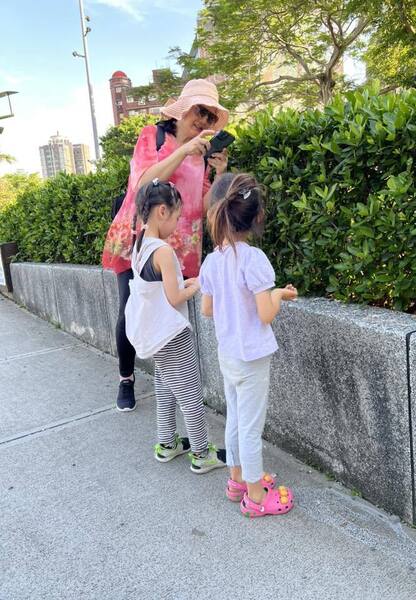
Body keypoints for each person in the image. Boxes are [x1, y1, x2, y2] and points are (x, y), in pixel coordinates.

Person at [102, 79, 229, 412]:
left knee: (172, 318)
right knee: (130, 309)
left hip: (181, 251)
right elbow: (143, 183)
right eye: (200, 111)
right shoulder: (153, 137)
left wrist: (219, 174)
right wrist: (183, 151)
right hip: (141, 242)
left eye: (210, 117)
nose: (204, 121)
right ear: (183, 110)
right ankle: (126, 377)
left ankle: (169, 393)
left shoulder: (203, 156)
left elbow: (203, 206)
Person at [199, 173, 298, 517]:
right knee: (251, 427)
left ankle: (237, 478)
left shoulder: (212, 261)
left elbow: (207, 309)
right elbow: (265, 314)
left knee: (235, 419)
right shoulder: (254, 260)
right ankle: (256, 496)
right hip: (252, 358)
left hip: (227, 354)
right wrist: (278, 295)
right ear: (256, 216)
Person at [125, 178, 226, 473]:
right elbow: (174, 297)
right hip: (171, 333)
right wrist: (196, 286)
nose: (178, 224)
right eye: (176, 216)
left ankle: (167, 443)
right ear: (161, 211)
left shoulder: (140, 244)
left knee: (165, 386)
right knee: (190, 391)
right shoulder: (163, 251)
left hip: (153, 332)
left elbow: (159, 287)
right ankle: (201, 453)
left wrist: (185, 283)